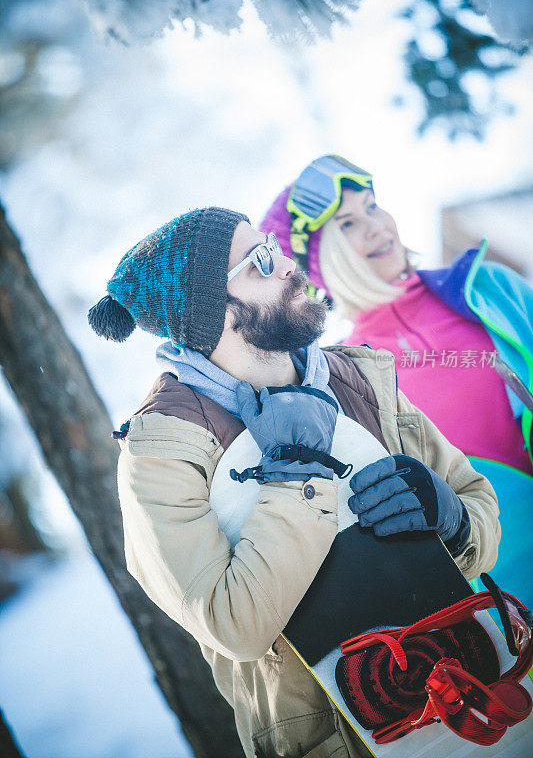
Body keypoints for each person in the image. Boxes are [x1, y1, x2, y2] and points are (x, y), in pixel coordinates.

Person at [88, 207, 499, 758]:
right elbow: (236, 627)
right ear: (210, 311)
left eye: (275, 248)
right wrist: (297, 471)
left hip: (477, 700)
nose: (287, 265)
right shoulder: (161, 452)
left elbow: (479, 512)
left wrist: (450, 516)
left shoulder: (362, 376)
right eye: (260, 262)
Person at [259, 154, 533, 605]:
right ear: (318, 264)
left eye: (371, 206)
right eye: (346, 224)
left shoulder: (488, 288)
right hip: (506, 597)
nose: (374, 225)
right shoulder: (344, 382)